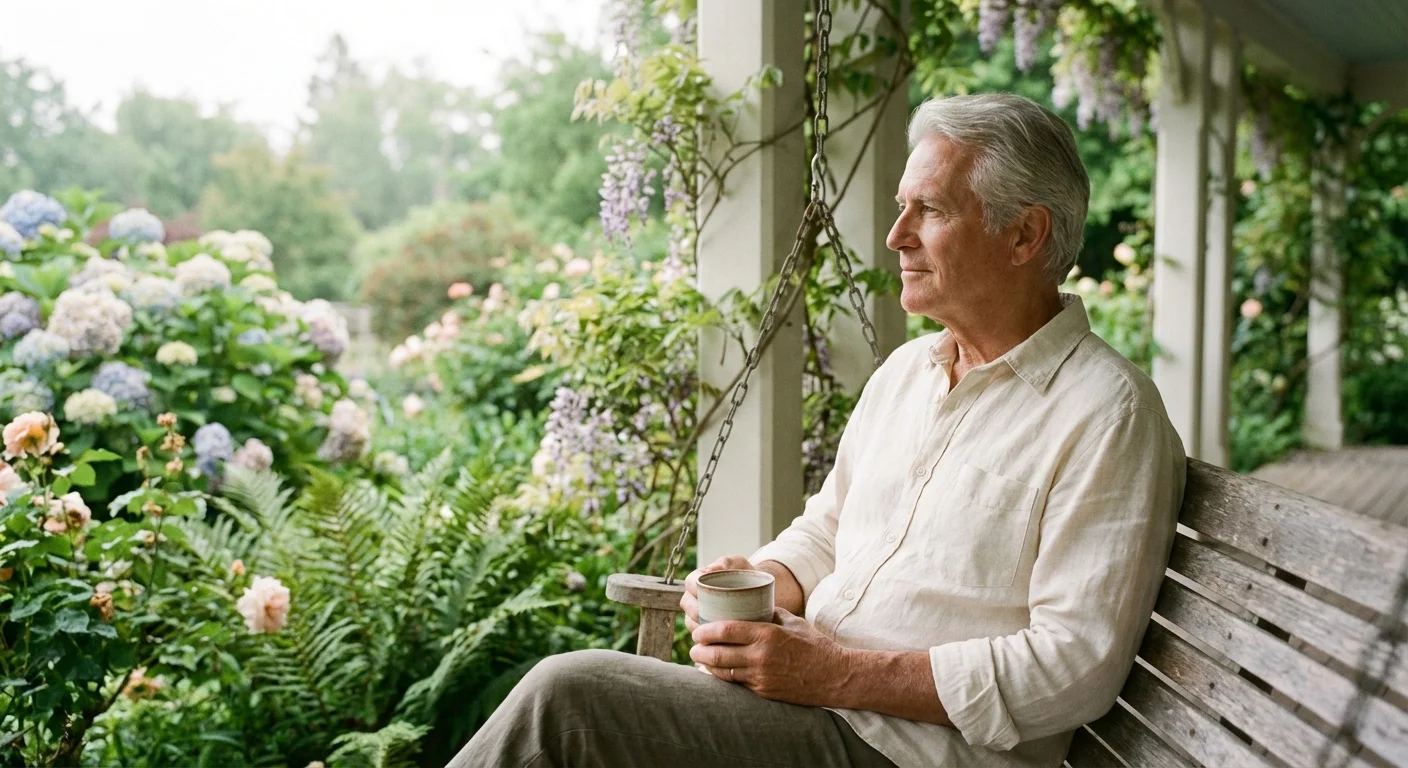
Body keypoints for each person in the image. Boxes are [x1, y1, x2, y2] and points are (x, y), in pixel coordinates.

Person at [449, 92, 1186, 768]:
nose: (897, 235)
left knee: (569, 700)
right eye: (901, 207)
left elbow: (1072, 666)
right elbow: (826, 533)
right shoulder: (906, 374)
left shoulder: (1107, 415)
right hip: (813, 708)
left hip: (906, 752)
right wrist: (760, 582)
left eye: (930, 210)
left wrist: (833, 672)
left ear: (1024, 235)